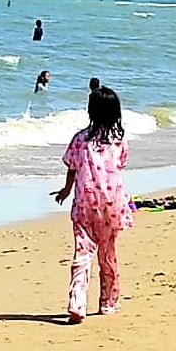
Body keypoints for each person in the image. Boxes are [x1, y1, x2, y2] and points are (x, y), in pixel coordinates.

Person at [52, 83, 132, 323]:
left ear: (90, 111)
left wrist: (66, 190)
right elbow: (120, 166)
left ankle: (77, 302)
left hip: (85, 204)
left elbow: (72, 167)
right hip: (111, 203)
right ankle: (108, 302)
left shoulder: (80, 139)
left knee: (83, 252)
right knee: (108, 254)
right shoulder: (119, 140)